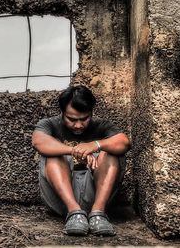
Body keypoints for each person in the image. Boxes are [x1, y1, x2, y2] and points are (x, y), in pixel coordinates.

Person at [32, 85, 130, 236]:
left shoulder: (101, 125)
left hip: (96, 197)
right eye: (72, 119)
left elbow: (124, 142)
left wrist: (96, 145)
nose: (78, 125)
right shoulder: (49, 124)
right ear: (62, 113)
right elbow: (38, 141)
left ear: (91, 113)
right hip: (61, 200)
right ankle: (74, 212)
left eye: (84, 119)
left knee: (112, 150)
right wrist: (75, 151)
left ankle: (98, 213)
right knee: (52, 152)